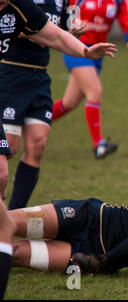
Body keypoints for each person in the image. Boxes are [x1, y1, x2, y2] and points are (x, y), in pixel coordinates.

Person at [0, 0, 117, 203]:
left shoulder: (36, 4)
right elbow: (36, 32)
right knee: (9, 147)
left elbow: (56, 33)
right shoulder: (22, 5)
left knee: (36, 145)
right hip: (11, 74)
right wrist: (32, 33)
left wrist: (83, 45)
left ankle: (12, 217)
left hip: (39, 75)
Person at [51, 0, 128, 159]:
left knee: (69, 103)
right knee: (95, 90)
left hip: (98, 53)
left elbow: (124, 17)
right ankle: (98, 144)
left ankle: (32, 122)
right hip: (77, 48)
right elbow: (66, 14)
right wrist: (74, 25)